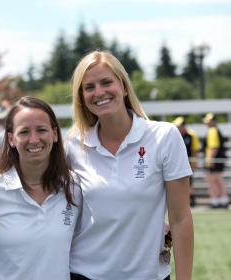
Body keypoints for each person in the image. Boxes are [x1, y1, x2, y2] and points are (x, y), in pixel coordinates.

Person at [67, 51, 193, 280]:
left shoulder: (165, 137)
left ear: (124, 87)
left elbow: (181, 218)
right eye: (89, 87)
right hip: (84, 274)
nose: (99, 93)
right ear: (81, 97)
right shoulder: (73, 145)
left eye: (106, 82)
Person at [0, 96, 82, 280]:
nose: (34, 139)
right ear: (11, 139)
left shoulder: (73, 188)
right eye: (24, 132)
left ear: (55, 134)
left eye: (41, 130)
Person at [173, 116, 201, 207]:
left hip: (189, 162)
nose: (178, 128)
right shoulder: (175, 135)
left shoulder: (191, 135)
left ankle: (192, 201)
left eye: (179, 126)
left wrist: (194, 163)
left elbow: (195, 150)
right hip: (178, 163)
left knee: (189, 182)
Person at [202, 112, 228, 209]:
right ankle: (223, 200)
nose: (207, 124)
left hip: (213, 160)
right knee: (218, 180)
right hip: (218, 159)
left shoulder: (212, 131)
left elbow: (213, 147)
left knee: (212, 181)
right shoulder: (217, 130)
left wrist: (210, 161)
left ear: (213, 122)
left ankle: (215, 201)